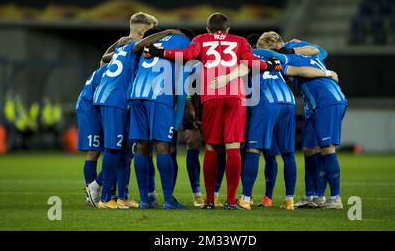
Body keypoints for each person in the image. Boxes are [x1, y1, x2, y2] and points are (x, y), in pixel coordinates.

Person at [144, 12, 281, 209]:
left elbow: (188, 55)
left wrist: (159, 52)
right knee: (232, 147)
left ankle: (209, 200)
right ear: (228, 30)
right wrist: (270, 65)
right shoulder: (240, 41)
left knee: (211, 148)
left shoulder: (201, 39)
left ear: (208, 29)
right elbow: (251, 63)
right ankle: (232, 201)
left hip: (211, 96)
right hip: (235, 97)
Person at [224, 32, 339, 211]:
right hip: (288, 100)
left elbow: (245, 68)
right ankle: (289, 200)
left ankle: (246, 199)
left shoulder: (252, 54)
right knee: (288, 153)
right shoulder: (279, 59)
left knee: (253, 149)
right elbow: (301, 70)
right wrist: (328, 73)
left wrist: (226, 78)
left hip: (268, 101)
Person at [258, 33, 347, 209]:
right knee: (308, 148)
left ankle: (335, 198)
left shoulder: (284, 56)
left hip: (326, 99)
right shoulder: (301, 47)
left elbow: (303, 71)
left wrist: (327, 73)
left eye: (266, 49)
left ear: (275, 46)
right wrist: (294, 47)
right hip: (315, 103)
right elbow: (319, 50)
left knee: (327, 147)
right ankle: (313, 195)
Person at [90, 12, 158, 209]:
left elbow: (104, 58)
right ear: (142, 31)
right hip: (114, 99)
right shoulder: (133, 47)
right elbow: (105, 61)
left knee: (126, 150)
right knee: (114, 147)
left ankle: (122, 195)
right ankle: (102, 195)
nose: (152, 36)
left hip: (120, 100)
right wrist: (168, 33)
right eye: (150, 32)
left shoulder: (123, 47)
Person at [129, 28, 193, 209]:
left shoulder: (152, 42)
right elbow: (181, 91)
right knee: (162, 145)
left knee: (141, 145)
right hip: (159, 95)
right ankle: (168, 200)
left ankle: (144, 200)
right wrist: (178, 121)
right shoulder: (185, 43)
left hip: (137, 94)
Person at [76, 63, 108, 206]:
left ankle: (93, 189)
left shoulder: (105, 67)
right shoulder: (110, 69)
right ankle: (92, 190)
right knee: (95, 150)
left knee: (99, 150)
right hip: (90, 108)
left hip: (93, 107)